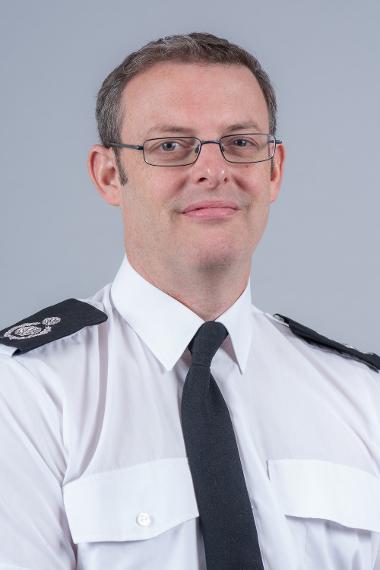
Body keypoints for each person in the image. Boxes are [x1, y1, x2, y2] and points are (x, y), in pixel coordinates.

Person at [0, 32, 379, 570]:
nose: (212, 170)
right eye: (170, 146)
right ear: (110, 175)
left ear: (274, 170)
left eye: (242, 143)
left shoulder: (360, 395)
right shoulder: (26, 391)